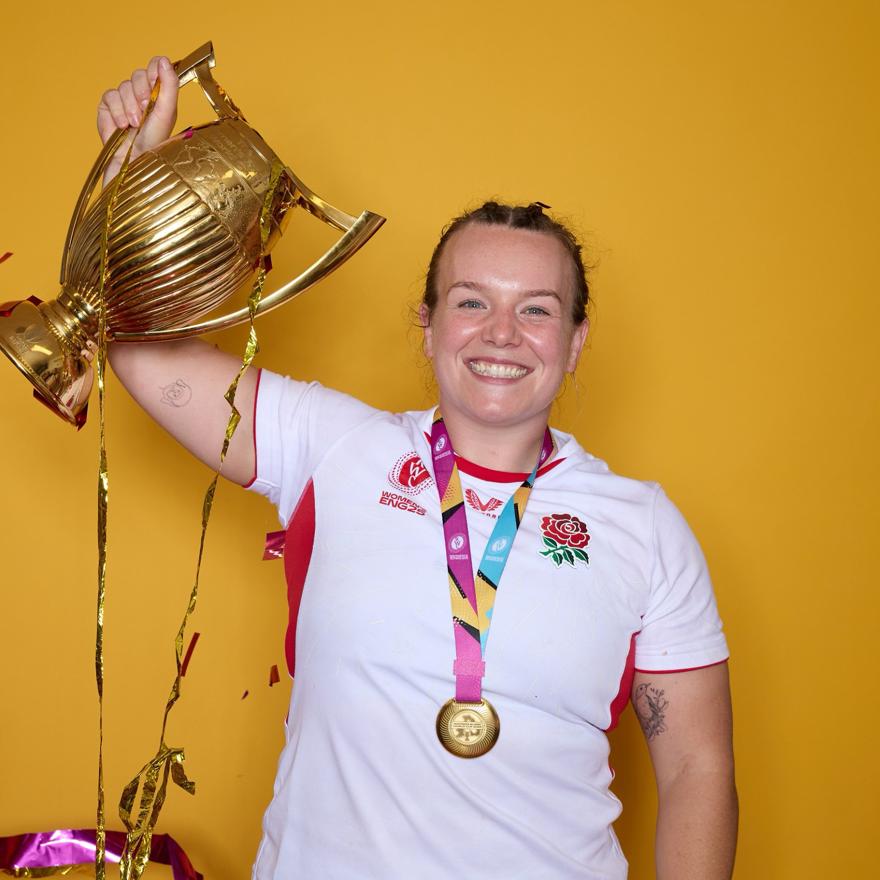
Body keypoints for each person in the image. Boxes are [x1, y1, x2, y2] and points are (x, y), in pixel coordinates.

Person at [99, 57, 738, 880]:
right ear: (428, 325)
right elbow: (137, 348)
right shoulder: (332, 445)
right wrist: (133, 166)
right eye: (472, 301)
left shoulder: (644, 525)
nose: (501, 333)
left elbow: (697, 772)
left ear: (575, 343)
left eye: (536, 310)